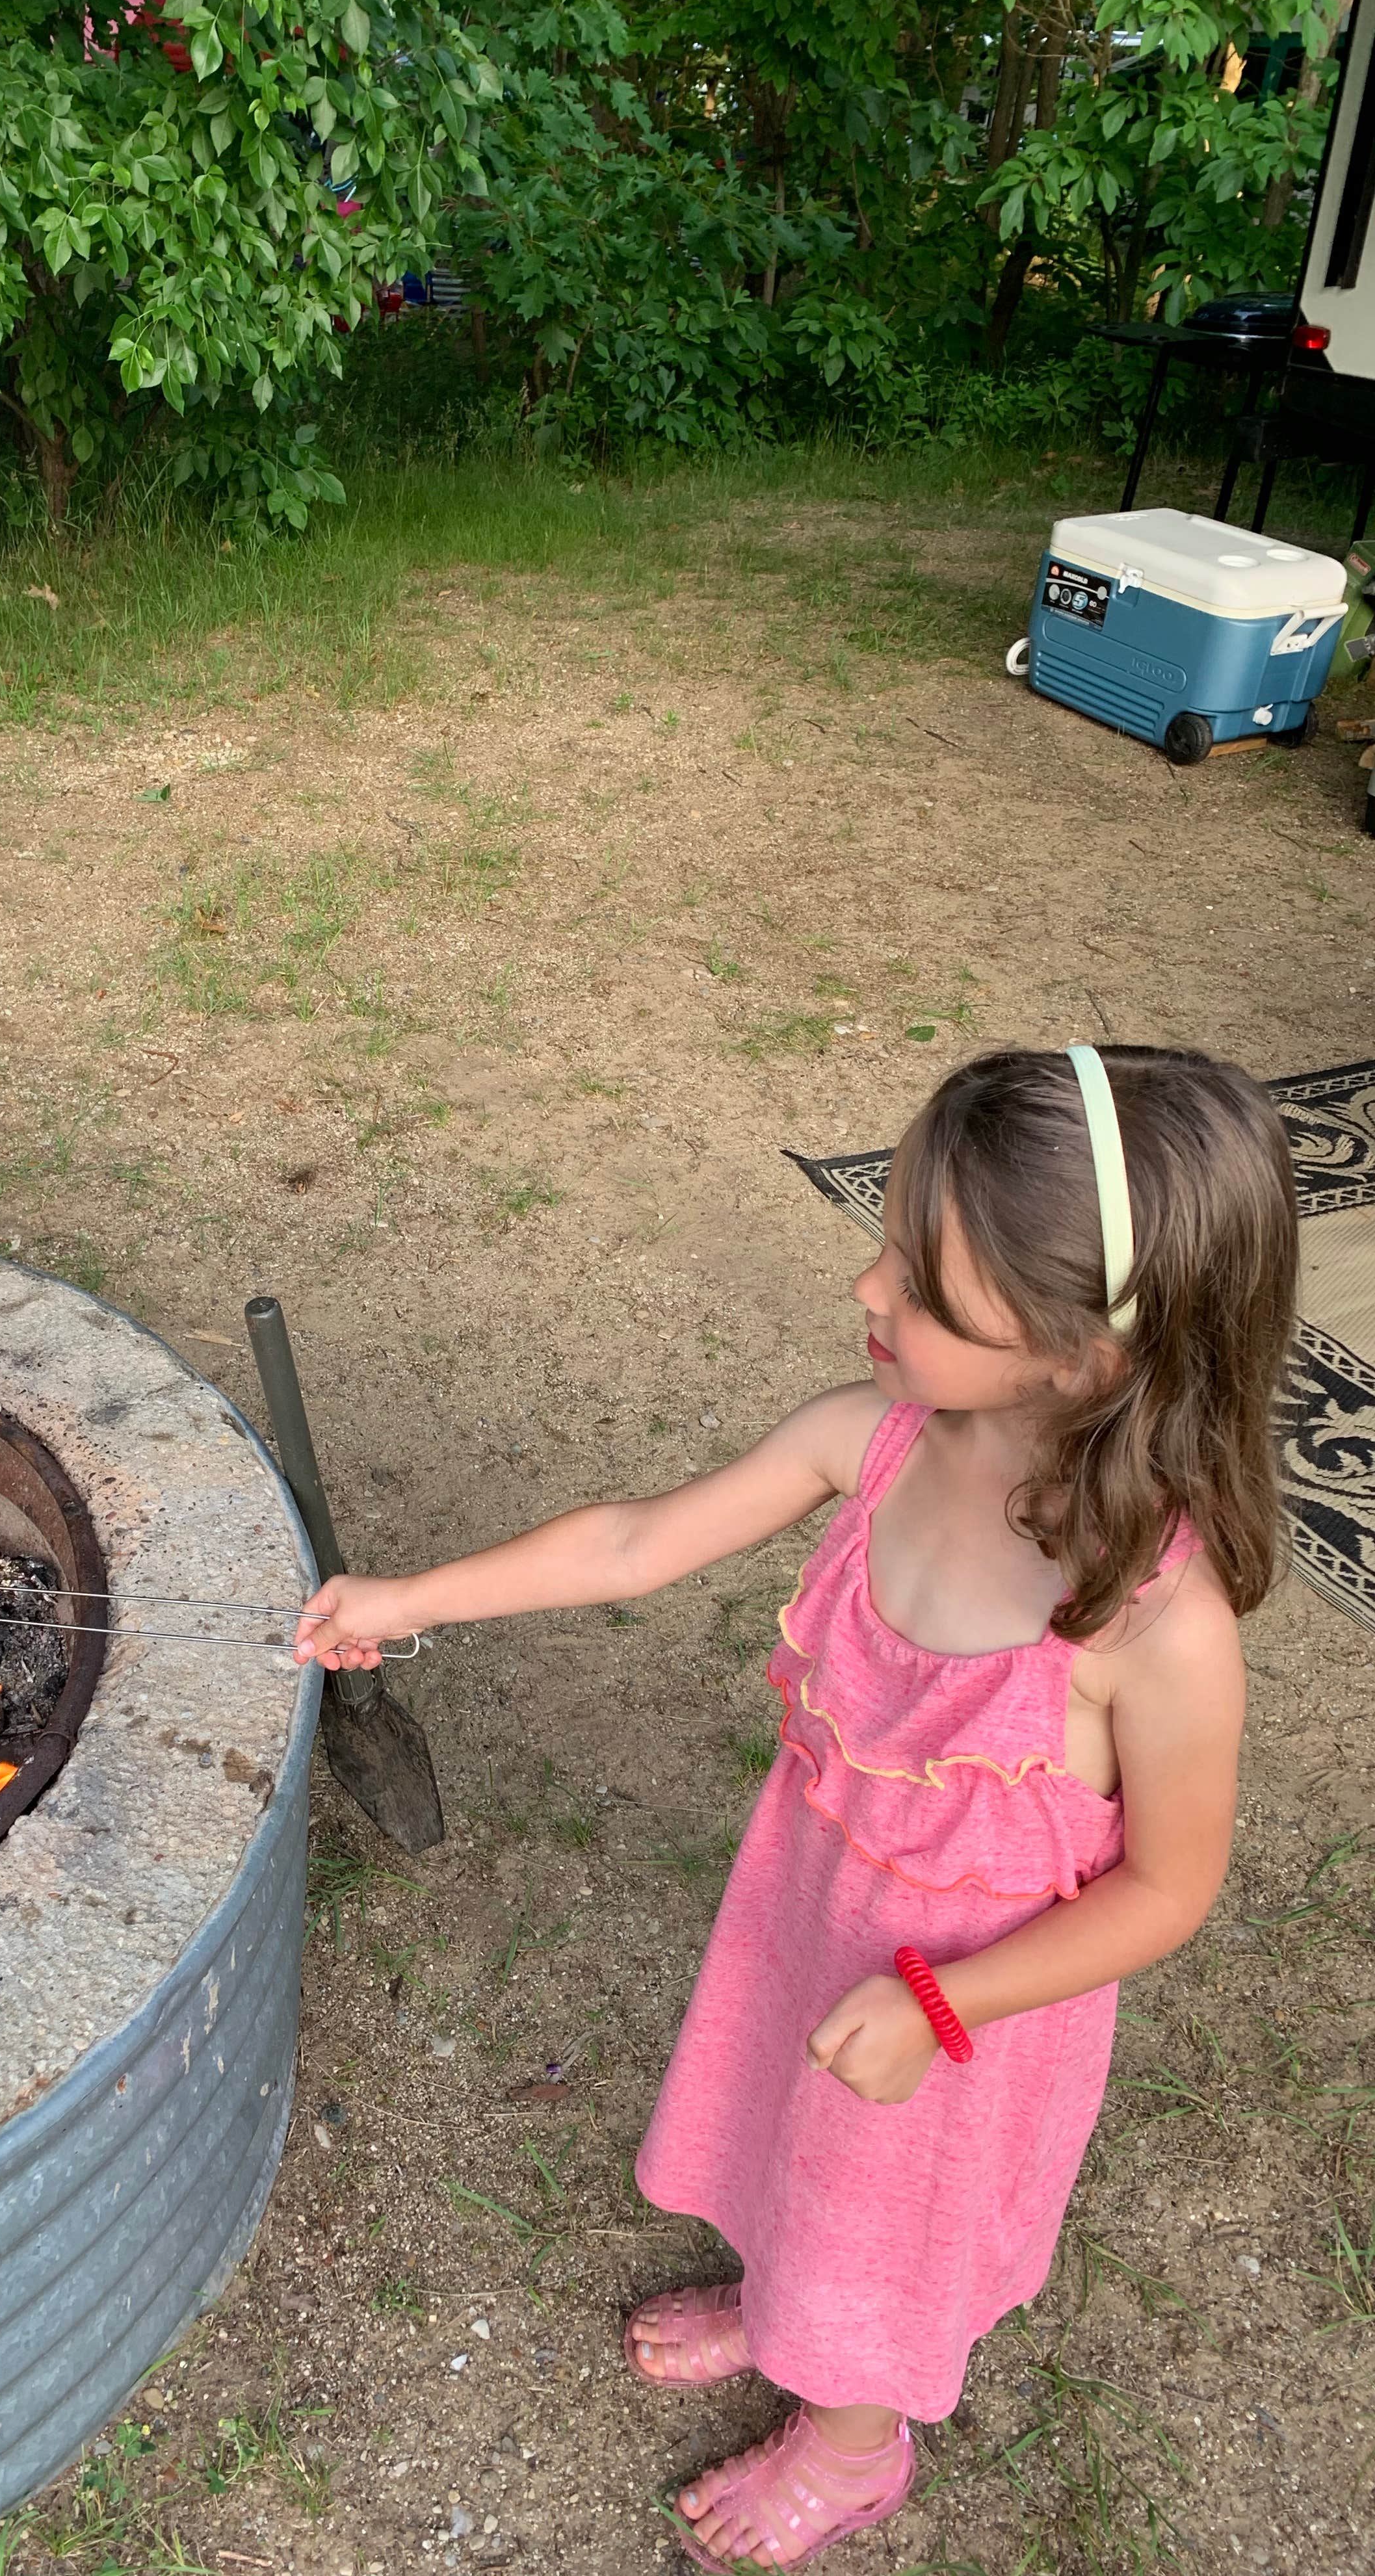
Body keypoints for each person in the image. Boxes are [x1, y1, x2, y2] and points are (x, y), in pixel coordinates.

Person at [294, 1045, 1297, 2569]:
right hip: (814, 1917)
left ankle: (851, 2441)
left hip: (958, 2025)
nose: (866, 1289)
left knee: (879, 2225)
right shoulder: (875, 1440)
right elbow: (634, 1541)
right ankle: (786, 2307)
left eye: (921, 1282)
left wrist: (942, 2005)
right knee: (787, 2134)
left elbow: (1167, 1891)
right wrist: (413, 1597)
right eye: (890, 1240)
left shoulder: (1155, 1629)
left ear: (1078, 1356)